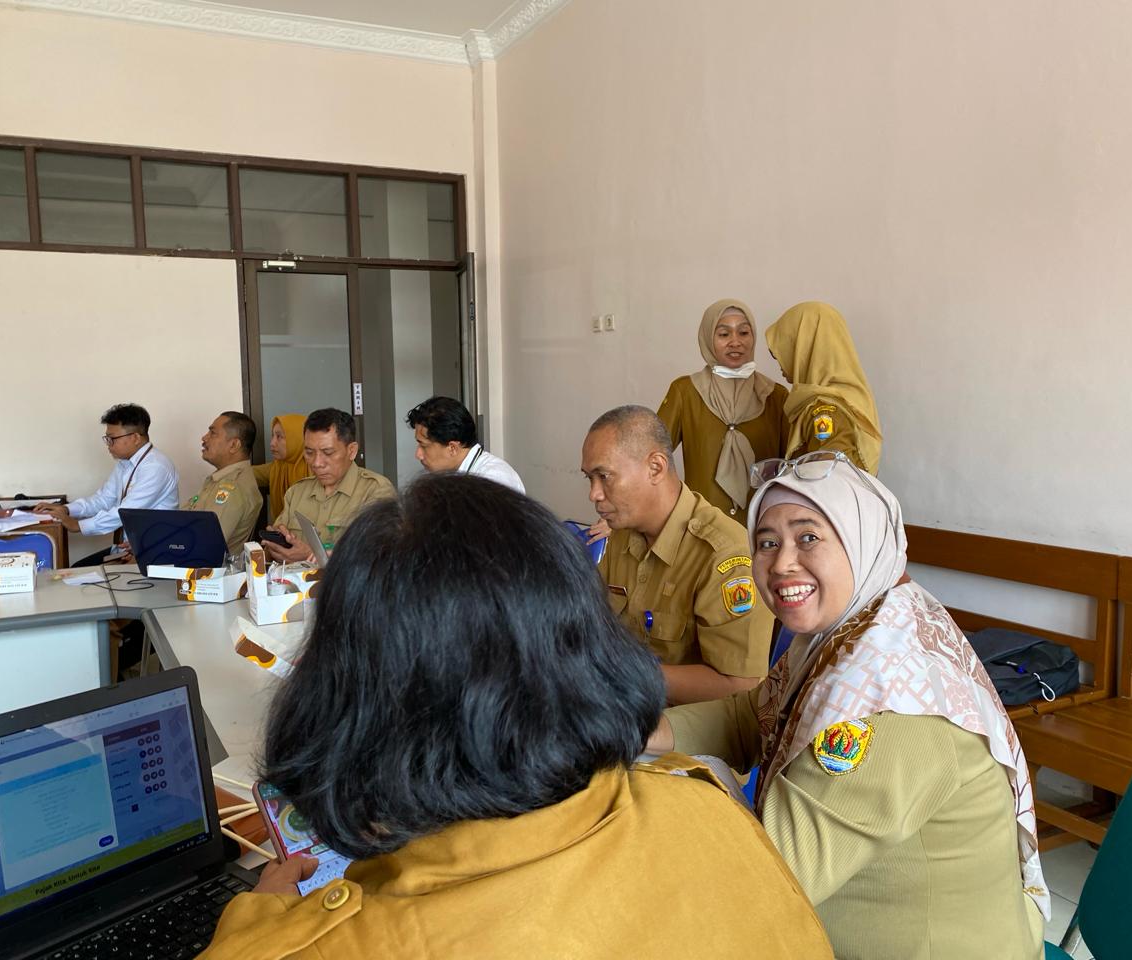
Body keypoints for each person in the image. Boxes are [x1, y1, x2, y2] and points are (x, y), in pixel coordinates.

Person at [199, 474, 832, 960]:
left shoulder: (328, 944)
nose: (596, 494)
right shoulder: (711, 813)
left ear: (348, 695)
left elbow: (742, 684)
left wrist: (256, 923)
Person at [648, 452, 1048, 959]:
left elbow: (767, 879)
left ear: (862, 539)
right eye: (767, 542)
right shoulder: (856, 625)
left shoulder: (889, 701)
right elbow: (750, 716)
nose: (782, 562)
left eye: (808, 537)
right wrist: (635, 730)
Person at [581, 405, 774, 705]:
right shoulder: (616, 536)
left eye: (604, 476)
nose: (594, 494)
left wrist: (623, 674)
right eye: (589, 479)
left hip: (682, 724)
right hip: (619, 705)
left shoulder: (724, 555)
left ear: (655, 468)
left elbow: (740, 685)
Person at [656, 299, 789, 520]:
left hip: (762, 524)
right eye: (724, 334)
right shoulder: (685, 391)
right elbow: (651, 454)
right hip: (702, 524)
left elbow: (792, 466)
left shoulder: (775, 396)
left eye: (744, 333)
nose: (735, 342)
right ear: (708, 338)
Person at [35, 403, 179, 565]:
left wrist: (78, 526)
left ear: (135, 438)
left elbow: (126, 512)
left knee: (81, 572)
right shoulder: (125, 463)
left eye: (112, 439)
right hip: (131, 547)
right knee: (79, 567)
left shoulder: (156, 467)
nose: (108, 445)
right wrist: (67, 510)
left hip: (154, 550)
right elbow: (103, 499)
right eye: (107, 439)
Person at [264, 408, 394, 563]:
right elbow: (270, 553)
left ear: (351, 451)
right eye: (309, 453)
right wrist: (276, 544)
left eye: (328, 453)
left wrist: (311, 555)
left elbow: (382, 557)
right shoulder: (296, 492)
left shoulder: (376, 490)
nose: (317, 463)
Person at [765, 301, 882, 472]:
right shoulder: (851, 398)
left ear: (804, 347)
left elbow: (833, 468)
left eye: (784, 351)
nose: (779, 362)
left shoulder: (824, 408)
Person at [406, 395, 525, 493]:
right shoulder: (447, 475)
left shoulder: (492, 480)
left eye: (424, 446)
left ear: (452, 448)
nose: (418, 455)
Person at [182, 411, 262, 557]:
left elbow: (206, 543)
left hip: (208, 568)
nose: (204, 438)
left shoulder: (232, 487)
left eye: (213, 433)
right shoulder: (220, 479)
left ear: (234, 445)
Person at [253, 413, 311, 525]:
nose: (272, 443)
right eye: (273, 436)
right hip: (281, 532)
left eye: (279, 437)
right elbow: (244, 472)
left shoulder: (319, 470)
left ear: (297, 438)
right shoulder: (277, 467)